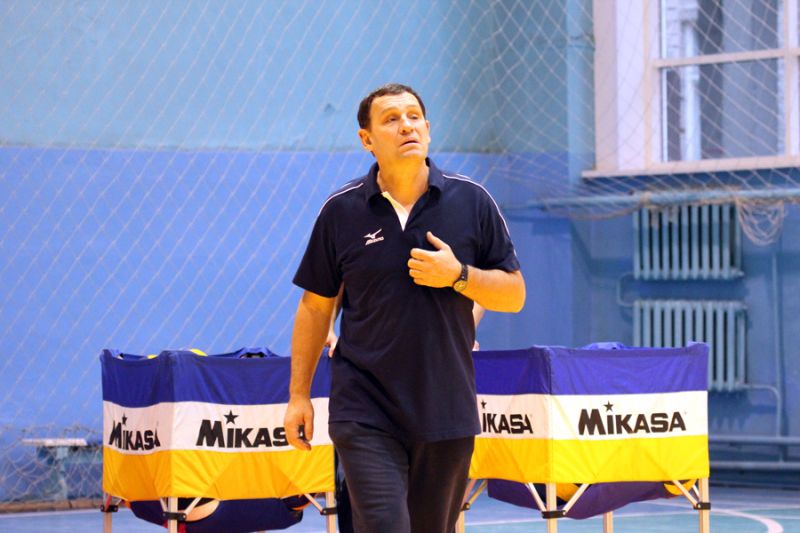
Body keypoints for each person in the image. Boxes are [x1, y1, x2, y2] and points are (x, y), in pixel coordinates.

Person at [284, 83, 525, 533]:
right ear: (367, 139)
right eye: (391, 119)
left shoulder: (472, 201)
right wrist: (299, 396)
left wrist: (459, 275)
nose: (406, 126)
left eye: (414, 117)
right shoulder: (341, 211)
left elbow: (513, 294)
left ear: (428, 129)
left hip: (446, 407)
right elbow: (315, 307)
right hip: (365, 407)